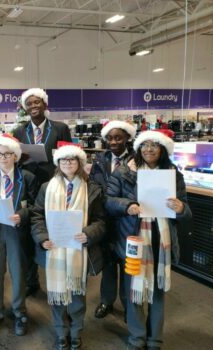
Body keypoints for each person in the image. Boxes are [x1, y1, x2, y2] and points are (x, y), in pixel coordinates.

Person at [105, 130, 192, 350]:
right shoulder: (124, 172)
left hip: (161, 241)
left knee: (158, 292)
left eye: (154, 145)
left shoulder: (173, 174)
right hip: (133, 239)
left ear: (162, 149)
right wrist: (127, 206)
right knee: (134, 290)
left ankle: (155, 339)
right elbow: (108, 201)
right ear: (138, 148)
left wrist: (181, 208)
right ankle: (137, 338)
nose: (149, 149)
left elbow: (186, 209)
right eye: (145, 145)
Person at [31, 144, 105, 350]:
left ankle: (75, 332)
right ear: (58, 163)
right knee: (56, 294)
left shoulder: (92, 188)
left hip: (78, 250)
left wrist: (89, 233)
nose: (68, 163)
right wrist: (42, 237)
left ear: (80, 163)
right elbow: (37, 215)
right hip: (54, 248)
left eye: (73, 159)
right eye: (64, 160)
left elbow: (101, 220)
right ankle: (60, 332)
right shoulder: (47, 187)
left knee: (77, 295)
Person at [14, 88, 72, 297]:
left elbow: (69, 155)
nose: (33, 106)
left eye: (37, 102)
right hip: (28, 186)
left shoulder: (60, 128)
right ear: (25, 108)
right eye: (29, 103)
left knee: (57, 231)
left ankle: (61, 279)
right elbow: (14, 158)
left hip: (54, 184)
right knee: (30, 233)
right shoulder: (19, 131)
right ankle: (32, 281)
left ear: (45, 105)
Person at [0, 134, 38, 336]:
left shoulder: (27, 177)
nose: (3, 158)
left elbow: (34, 205)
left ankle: (19, 311)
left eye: (7, 154)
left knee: (18, 273)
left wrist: (21, 214)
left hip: (16, 231)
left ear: (15, 156)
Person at [90, 120, 137, 320]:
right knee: (108, 263)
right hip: (106, 219)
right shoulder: (101, 159)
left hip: (129, 219)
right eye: (109, 138)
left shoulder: (137, 159)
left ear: (127, 137)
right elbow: (92, 184)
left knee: (128, 266)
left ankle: (128, 306)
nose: (114, 142)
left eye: (118, 137)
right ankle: (106, 301)